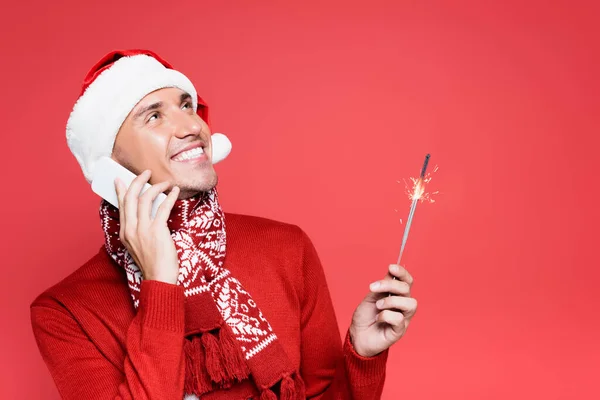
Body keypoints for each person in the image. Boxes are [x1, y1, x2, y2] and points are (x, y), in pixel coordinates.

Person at [30, 49, 418, 400]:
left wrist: (362, 356)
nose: (191, 126)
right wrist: (160, 283)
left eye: (187, 105)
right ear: (108, 165)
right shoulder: (63, 312)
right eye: (154, 115)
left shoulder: (286, 246)